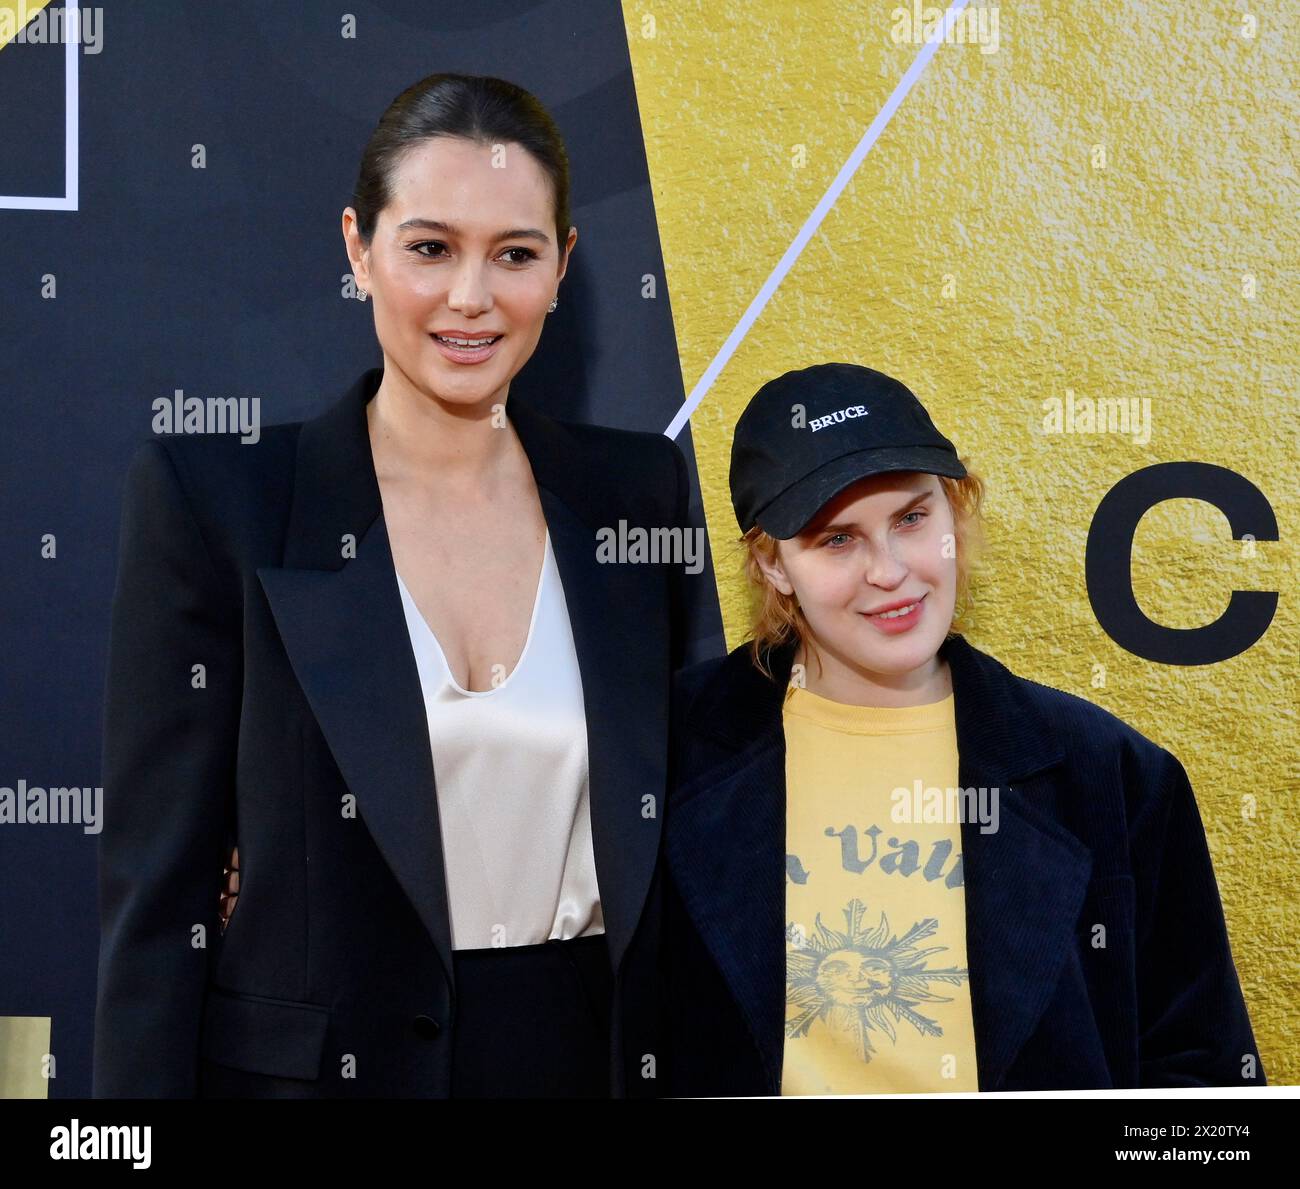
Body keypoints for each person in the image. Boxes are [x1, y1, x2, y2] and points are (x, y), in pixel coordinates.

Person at [93, 72, 690, 1098]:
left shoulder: (633, 491)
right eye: (429, 247)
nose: (471, 297)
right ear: (357, 249)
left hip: (585, 1059)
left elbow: (686, 809)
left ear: (562, 267)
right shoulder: (223, 497)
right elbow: (159, 893)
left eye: (514, 253)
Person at [662, 362, 1266, 1095]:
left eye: (912, 519)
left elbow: (1201, 1079)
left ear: (955, 512)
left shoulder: (1109, 773)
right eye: (837, 539)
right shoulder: (667, 755)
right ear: (772, 564)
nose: (889, 571)